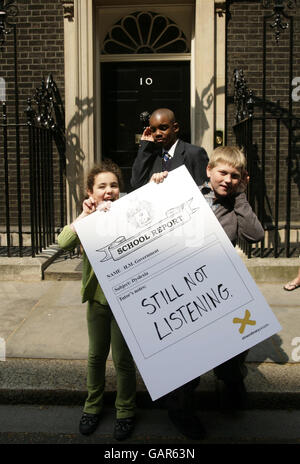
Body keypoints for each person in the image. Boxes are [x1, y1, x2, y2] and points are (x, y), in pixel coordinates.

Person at [150, 145, 264, 439]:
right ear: (209, 171)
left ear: (242, 180)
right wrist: (155, 189)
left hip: (221, 290)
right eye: (223, 173)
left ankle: (232, 385)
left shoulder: (236, 206)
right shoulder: (184, 193)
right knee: (188, 357)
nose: (227, 179)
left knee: (232, 353)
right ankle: (182, 410)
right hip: (186, 288)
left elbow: (255, 235)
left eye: (235, 176)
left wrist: (240, 198)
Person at [57, 159, 136, 440]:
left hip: (126, 298)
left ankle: (125, 411)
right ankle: (92, 407)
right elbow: (64, 242)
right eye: (101, 186)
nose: (109, 190)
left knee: (124, 359)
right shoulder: (87, 219)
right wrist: (84, 217)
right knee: (96, 356)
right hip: (98, 300)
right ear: (90, 192)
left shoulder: (129, 213)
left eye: (114, 185)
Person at [131, 108, 209, 190]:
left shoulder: (194, 153)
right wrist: (145, 146)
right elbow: (136, 184)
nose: (157, 133)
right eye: (153, 130)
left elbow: (204, 189)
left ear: (175, 128)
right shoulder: (152, 155)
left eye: (163, 128)